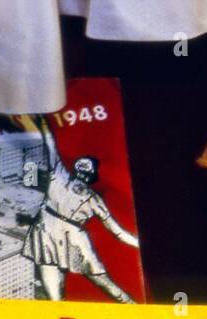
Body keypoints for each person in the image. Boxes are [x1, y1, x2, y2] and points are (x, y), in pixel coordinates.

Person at [22, 115, 139, 302]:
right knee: (55, 301)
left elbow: (117, 232)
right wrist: (43, 124)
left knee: (104, 283)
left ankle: (135, 308)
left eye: (87, 174)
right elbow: (49, 145)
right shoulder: (59, 176)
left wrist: (139, 244)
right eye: (81, 171)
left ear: (91, 177)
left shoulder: (93, 200)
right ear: (77, 171)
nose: (83, 176)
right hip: (46, 235)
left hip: (74, 241)